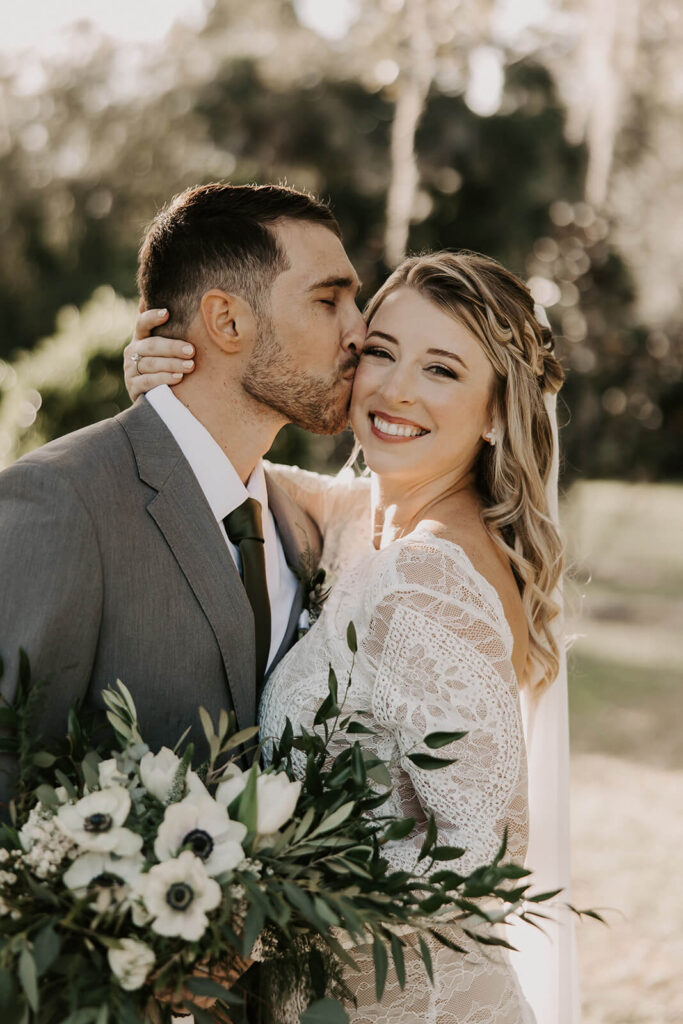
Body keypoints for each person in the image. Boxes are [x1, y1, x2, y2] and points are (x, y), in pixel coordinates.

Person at [126, 248, 580, 1023]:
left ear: (499, 411)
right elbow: (241, 477)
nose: (395, 389)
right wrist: (175, 393)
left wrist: (258, 893)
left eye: (442, 369)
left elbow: (479, 861)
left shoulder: (429, 577)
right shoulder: (372, 518)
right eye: (380, 352)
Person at [0, 182, 366, 814]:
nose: (361, 332)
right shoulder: (62, 502)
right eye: (329, 300)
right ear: (226, 320)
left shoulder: (301, 526)